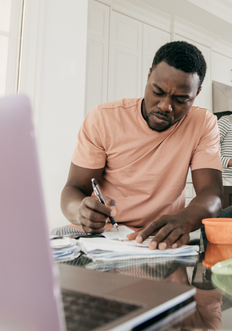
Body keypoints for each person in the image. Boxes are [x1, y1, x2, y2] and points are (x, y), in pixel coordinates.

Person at [61, 41, 223, 250]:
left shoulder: (202, 123)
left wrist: (186, 219)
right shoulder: (103, 118)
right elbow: (73, 188)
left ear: (197, 93)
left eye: (181, 99)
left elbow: (212, 194)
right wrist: (79, 211)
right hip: (104, 237)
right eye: (157, 91)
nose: (165, 106)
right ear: (148, 77)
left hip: (160, 239)